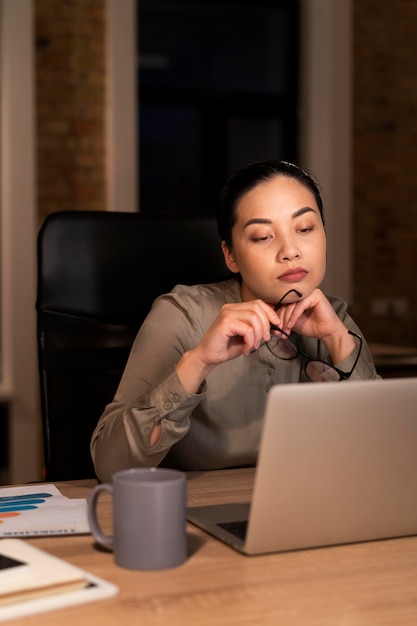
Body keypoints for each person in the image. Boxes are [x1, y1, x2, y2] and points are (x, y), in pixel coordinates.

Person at [91, 159, 379, 482]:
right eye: (262, 236)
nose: (290, 250)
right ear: (230, 255)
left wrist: (338, 339)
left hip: (303, 514)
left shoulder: (334, 317)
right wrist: (198, 361)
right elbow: (110, 466)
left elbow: (385, 458)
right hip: (191, 515)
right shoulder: (182, 315)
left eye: (305, 228)